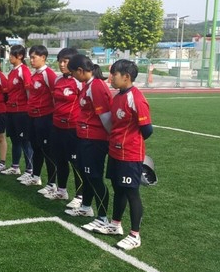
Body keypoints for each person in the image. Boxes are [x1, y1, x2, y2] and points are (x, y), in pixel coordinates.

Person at [95, 59, 153, 251]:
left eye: (114, 74)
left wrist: (131, 143)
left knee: (131, 192)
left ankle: (135, 235)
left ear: (126, 77)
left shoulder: (135, 98)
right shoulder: (118, 96)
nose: (110, 78)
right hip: (115, 150)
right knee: (118, 188)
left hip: (129, 154)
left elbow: (147, 129)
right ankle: (115, 224)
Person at [64, 55, 113, 233]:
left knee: (94, 177)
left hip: (95, 140)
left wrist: (108, 138)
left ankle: (102, 217)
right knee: (86, 175)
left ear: (80, 70)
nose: (73, 77)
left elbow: (106, 118)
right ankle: (86, 207)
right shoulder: (88, 86)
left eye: (73, 73)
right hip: (85, 137)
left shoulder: (97, 86)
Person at [45, 47, 84, 203]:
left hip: (73, 129)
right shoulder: (58, 80)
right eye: (60, 61)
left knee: (75, 163)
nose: (61, 64)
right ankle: (61, 191)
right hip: (57, 127)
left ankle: (80, 196)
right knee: (60, 160)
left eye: (65, 61)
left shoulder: (79, 82)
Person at [24, 45, 57, 193]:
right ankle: (36, 176)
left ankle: (52, 184)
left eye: (34, 57)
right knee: (36, 147)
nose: (31, 60)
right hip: (33, 116)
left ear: (43, 58)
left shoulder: (48, 74)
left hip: (44, 117)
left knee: (47, 150)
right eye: (30, 57)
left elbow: (54, 95)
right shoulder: (35, 74)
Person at [1, 45, 33, 178]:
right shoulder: (13, 71)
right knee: (15, 140)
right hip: (11, 110)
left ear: (19, 56)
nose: (9, 57)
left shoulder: (23, 70)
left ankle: (30, 171)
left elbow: (28, 91)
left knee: (25, 141)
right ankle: (15, 167)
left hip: (21, 111)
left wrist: (28, 108)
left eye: (12, 55)